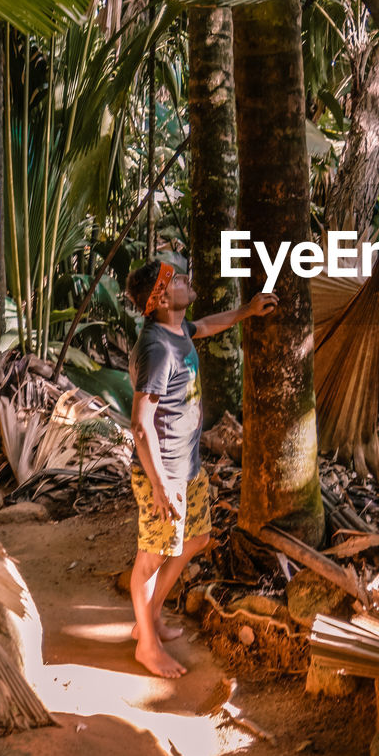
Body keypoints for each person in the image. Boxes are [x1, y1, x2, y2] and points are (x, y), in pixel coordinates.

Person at [125, 255, 277, 677]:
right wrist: (158, 485)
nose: (187, 281)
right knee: (150, 558)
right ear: (160, 297)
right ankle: (147, 645)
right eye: (177, 279)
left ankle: (150, 617)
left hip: (186, 467)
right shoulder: (155, 347)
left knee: (198, 538)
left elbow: (207, 325)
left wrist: (246, 311)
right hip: (164, 473)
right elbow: (140, 424)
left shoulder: (177, 330)